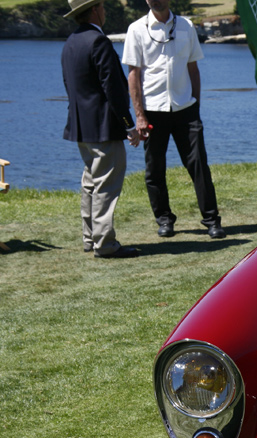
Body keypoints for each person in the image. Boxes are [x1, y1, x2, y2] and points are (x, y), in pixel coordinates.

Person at [122, 0, 225, 239]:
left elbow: (193, 69)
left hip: (185, 108)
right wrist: (139, 115)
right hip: (152, 111)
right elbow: (133, 76)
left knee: (199, 165)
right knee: (154, 169)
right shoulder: (136, 29)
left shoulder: (186, 26)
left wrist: (196, 105)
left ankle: (212, 220)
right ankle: (165, 220)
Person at [61, 0, 142, 259]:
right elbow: (114, 90)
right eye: (103, 6)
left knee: (90, 183)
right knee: (106, 185)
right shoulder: (99, 42)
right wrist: (129, 125)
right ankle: (105, 243)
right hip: (104, 127)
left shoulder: (71, 42)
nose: (105, 10)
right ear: (95, 9)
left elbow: (70, 86)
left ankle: (89, 237)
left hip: (81, 127)